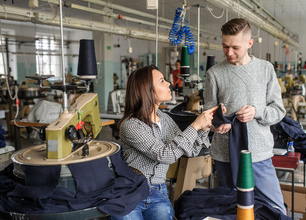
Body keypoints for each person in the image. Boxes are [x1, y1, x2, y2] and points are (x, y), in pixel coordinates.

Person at [112, 65, 218, 220]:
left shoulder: (165, 119)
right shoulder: (131, 125)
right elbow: (165, 155)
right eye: (162, 81)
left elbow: (191, 151)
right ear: (147, 90)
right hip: (130, 193)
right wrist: (195, 125)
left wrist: (203, 128)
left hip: (158, 194)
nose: (169, 83)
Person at [203, 18, 287, 214]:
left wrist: (257, 111)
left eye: (235, 47)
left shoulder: (265, 69)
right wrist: (217, 122)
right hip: (225, 155)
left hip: (259, 155)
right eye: (225, 47)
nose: (229, 53)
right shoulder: (214, 73)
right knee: (230, 210)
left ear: (250, 43)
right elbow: (208, 111)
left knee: (275, 209)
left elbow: (278, 110)